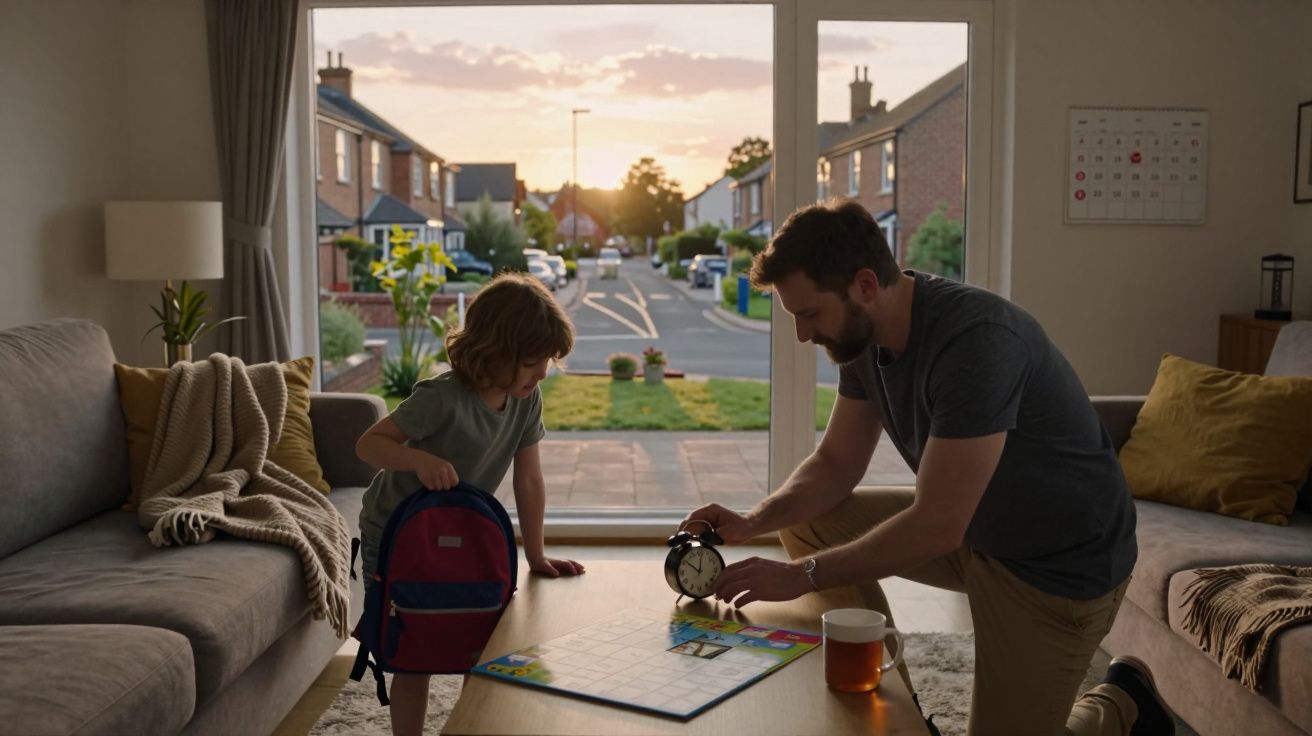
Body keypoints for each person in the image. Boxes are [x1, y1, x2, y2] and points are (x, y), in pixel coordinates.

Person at [685, 199, 1176, 735]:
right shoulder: (864, 336)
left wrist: (798, 576)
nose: (803, 335)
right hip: (977, 532)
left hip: (1056, 567)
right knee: (807, 521)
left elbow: (937, 525)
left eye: (810, 314)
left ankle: (1122, 703)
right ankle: (898, 702)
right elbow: (836, 463)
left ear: (865, 285)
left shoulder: (977, 343)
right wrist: (754, 520)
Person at [355, 272, 586, 736]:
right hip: (398, 534)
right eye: (532, 361)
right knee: (414, 653)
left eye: (547, 361)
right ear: (493, 351)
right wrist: (418, 459)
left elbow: (529, 479)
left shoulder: (526, 399)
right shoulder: (440, 398)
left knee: (480, 643)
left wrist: (535, 554)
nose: (543, 373)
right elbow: (368, 445)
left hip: (467, 534)